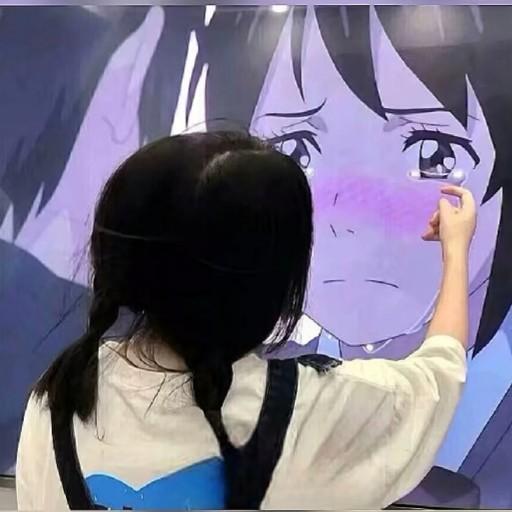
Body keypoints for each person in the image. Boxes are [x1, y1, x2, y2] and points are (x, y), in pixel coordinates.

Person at [16, 131, 474, 509]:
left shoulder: (59, 396)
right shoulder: (309, 411)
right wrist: (456, 253)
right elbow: (438, 375)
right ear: (273, 279)